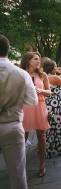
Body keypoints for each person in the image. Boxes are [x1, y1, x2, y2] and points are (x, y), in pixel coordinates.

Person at [0, 35, 38, 188]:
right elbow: (32, 101)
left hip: (12, 124)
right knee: (18, 174)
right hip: (12, 125)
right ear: (8, 49)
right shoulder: (21, 74)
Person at [20, 52, 51, 178]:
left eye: (39, 59)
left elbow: (49, 92)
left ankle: (42, 164)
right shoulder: (21, 74)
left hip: (40, 106)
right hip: (25, 106)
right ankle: (20, 164)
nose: (39, 61)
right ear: (28, 60)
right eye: (36, 59)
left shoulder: (42, 75)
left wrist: (40, 90)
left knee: (41, 135)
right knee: (23, 135)